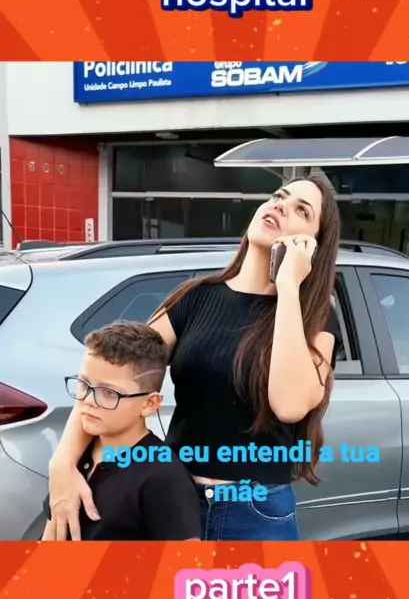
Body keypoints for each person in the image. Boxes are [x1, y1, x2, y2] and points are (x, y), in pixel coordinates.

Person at [48, 175, 341, 541]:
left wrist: (288, 286)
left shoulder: (313, 318)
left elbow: (290, 404)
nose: (281, 205)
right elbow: (113, 376)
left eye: (302, 210)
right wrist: (63, 460)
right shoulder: (195, 297)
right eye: (279, 196)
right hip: (174, 504)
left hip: (255, 513)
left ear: (313, 245)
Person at [42, 322, 201, 541]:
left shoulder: (163, 478)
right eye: (84, 384)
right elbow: (50, 539)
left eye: (109, 393)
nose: (88, 400)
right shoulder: (75, 458)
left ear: (149, 404)